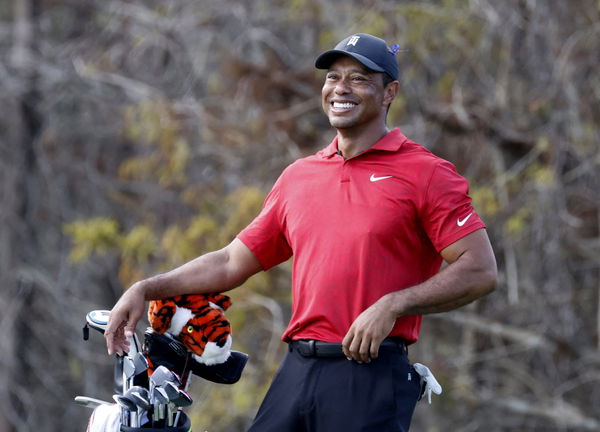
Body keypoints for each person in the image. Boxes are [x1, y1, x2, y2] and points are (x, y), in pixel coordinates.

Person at [105, 33, 497, 431]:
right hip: (298, 369)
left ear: (389, 92)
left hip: (369, 372)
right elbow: (230, 261)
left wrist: (392, 305)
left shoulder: (426, 173)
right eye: (333, 77)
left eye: (360, 78)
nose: (341, 88)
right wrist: (145, 289)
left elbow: (480, 270)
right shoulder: (300, 176)